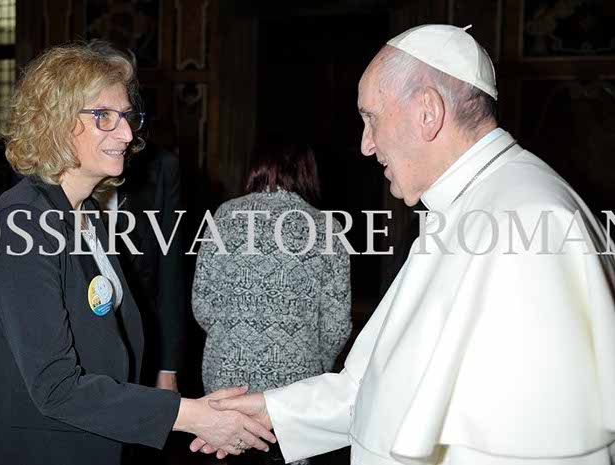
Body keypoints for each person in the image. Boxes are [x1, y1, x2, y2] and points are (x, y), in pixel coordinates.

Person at [191, 24, 615, 465]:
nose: (365, 145)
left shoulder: (529, 220)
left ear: (428, 112)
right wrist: (273, 411)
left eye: (371, 118)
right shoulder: (464, 207)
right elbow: (376, 386)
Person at [0, 43, 275, 465]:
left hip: (95, 442)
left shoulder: (87, 214)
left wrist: (194, 410)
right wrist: (190, 416)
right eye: (104, 117)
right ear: (56, 121)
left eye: (127, 116)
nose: (127, 134)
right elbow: (55, 387)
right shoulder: (21, 222)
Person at [192, 138, 353, 464]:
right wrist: (312, 363)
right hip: (294, 394)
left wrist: (235, 333)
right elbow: (336, 325)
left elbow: (203, 304)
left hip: (228, 384)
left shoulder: (224, 216)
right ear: (307, 172)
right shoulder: (327, 228)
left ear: (257, 168)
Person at [87, 40, 185, 394]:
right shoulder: (40, 181)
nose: (123, 129)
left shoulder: (161, 168)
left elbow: (170, 271)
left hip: (141, 346)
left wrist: (168, 366)